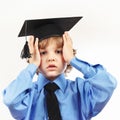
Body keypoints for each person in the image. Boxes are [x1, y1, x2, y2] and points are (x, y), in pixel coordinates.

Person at [3, 17, 117, 120]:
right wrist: (32, 65)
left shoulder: (81, 92)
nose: (51, 58)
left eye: (58, 51)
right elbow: (10, 100)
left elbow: (108, 84)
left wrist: (73, 60)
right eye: (43, 53)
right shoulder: (28, 96)